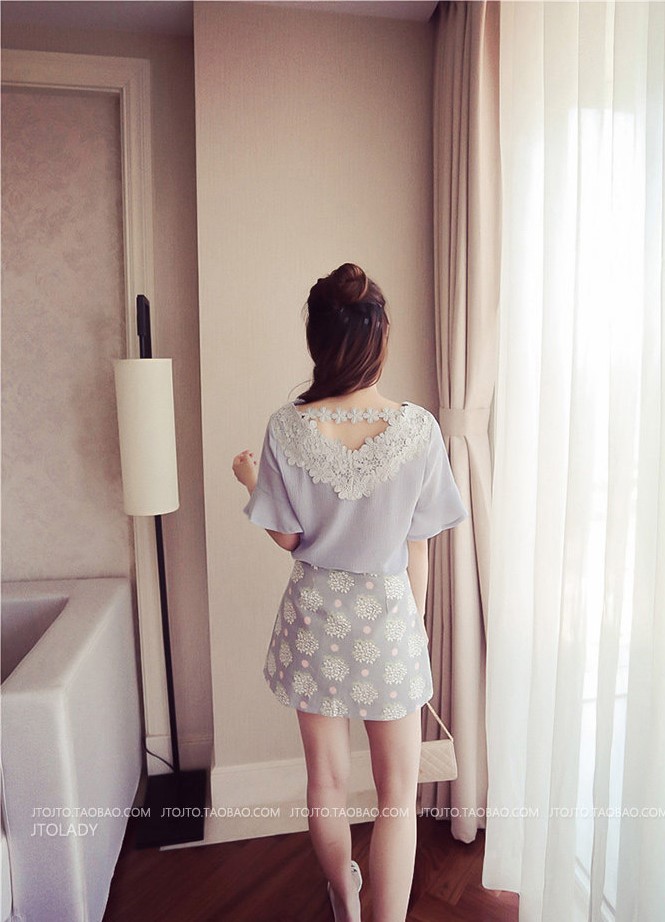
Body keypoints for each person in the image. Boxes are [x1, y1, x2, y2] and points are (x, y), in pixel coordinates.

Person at [232, 263, 468, 922]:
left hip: (313, 623)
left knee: (327, 783)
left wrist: (250, 482)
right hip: (387, 620)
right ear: (380, 337)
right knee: (396, 798)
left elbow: (289, 537)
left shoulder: (286, 427)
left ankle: (345, 898)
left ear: (317, 339)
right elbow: (418, 543)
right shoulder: (418, 429)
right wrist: (413, 628)